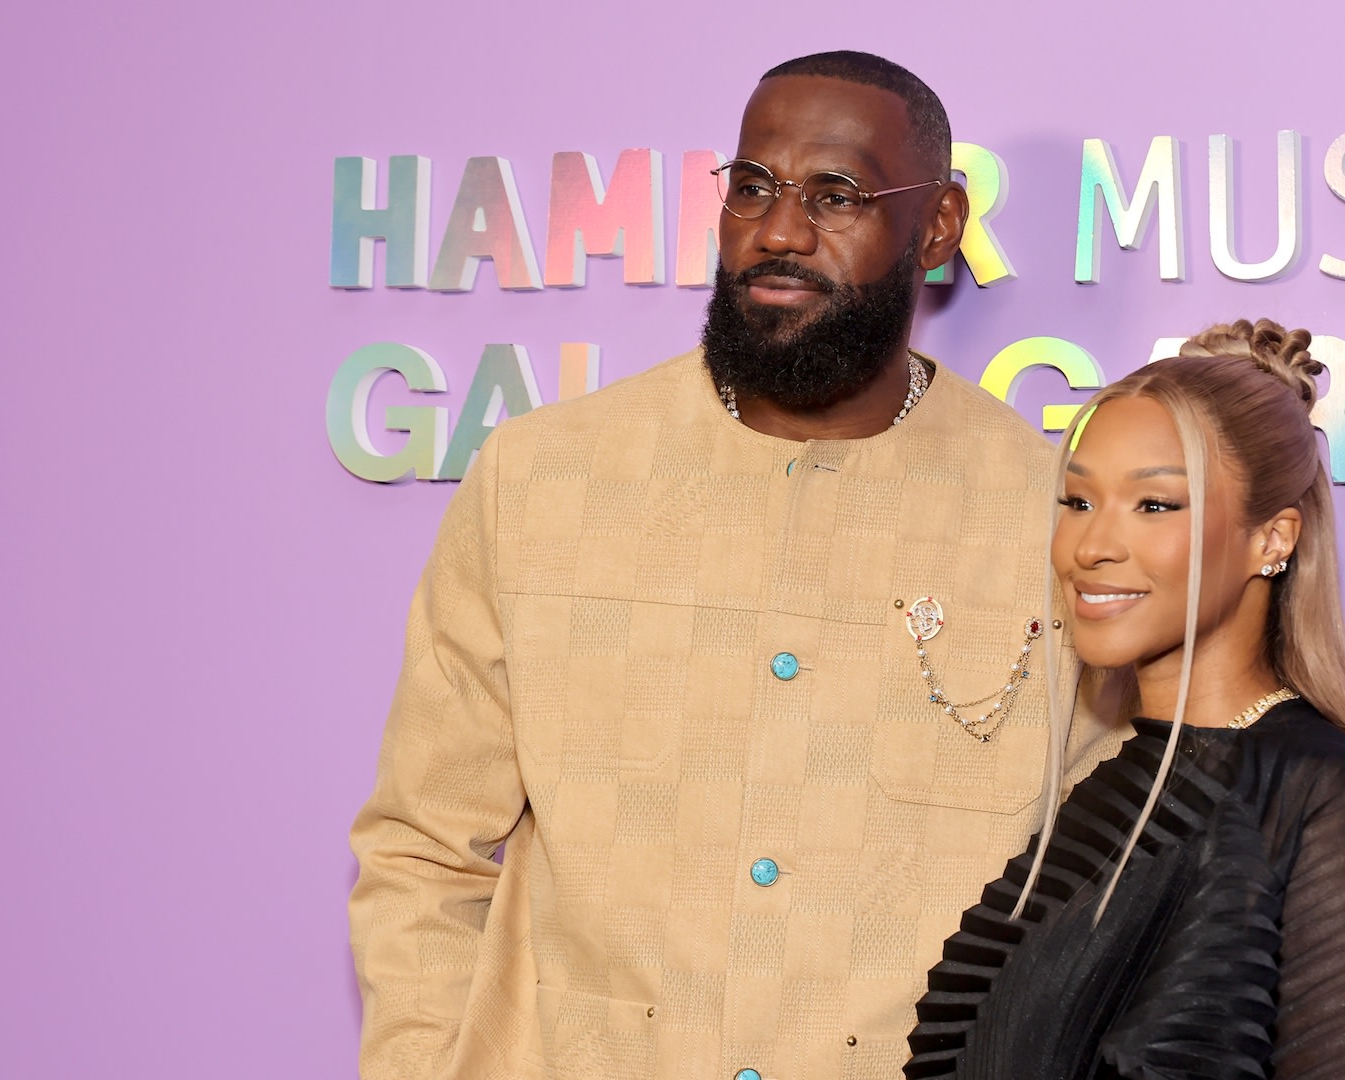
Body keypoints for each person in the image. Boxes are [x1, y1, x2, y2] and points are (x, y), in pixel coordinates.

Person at [348, 51, 1118, 1080]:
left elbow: (1113, 897)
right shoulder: (543, 479)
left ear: (936, 225)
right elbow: (420, 850)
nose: (781, 231)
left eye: (836, 195)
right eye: (753, 187)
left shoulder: (1054, 515)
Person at [906, 319, 1345, 1079]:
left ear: (1272, 539)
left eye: (1154, 505)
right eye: (1077, 501)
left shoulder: (1310, 796)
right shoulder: (1124, 780)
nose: (1091, 546)